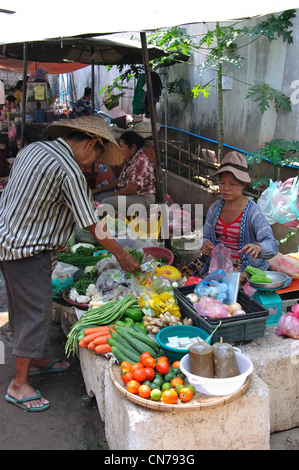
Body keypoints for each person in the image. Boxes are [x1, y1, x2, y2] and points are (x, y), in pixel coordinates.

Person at [0, 115, 140, 413]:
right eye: (95, 158)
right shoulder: (69, 171)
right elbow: (91, 222)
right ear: (90, 143)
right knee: (36, 312)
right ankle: (19, 383)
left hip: (8, 239)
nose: (90, 166)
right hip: (28, 249)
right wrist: (121, 254)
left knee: (22, 307)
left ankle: (35, 359)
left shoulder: (34, 149)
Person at [179, 151, 279, 278]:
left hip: (244, 265)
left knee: (225, 287)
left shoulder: (253, 212)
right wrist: (206, 244)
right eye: (222, 183)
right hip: (216, 261)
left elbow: (271, 243)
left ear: (243, 184)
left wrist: (258, 247)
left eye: (232, 184)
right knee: (184, 275)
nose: (226, 188)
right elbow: (207, 236)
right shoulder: (215, 208)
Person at [92, 131, 156, 215]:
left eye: (122, 147)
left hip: (142, 197)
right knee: (96, 197)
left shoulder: (141, 161)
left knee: (105, 203)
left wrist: (113, 196)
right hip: (129, 193)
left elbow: (131, 188)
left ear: (133, 147)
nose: (120, 150)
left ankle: (121, 217)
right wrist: (96, 191)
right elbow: (118, 181)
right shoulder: (130, 159)